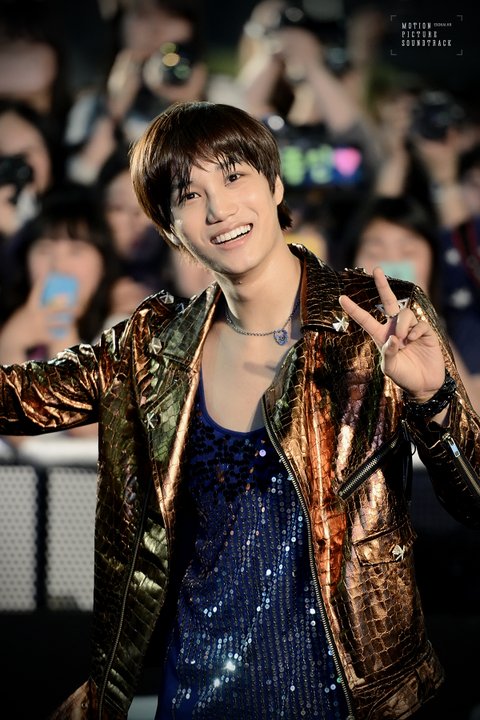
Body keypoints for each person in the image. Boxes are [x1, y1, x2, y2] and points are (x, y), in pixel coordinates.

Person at [2, 101, 478, 720]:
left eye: (233, 176)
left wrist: (432, 399)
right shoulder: (151, 348)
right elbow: (16, 398)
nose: (219, 209)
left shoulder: (377, 318)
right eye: (189, 194)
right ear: (170, 227)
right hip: (200, 692)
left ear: (274, 184)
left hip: (357, 697)